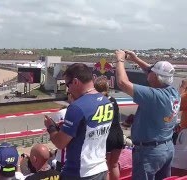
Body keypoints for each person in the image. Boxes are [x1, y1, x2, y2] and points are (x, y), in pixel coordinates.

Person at [115, 50, 180, 180]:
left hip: (149, 152)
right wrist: (136, 59)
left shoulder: (154, 96)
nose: (147, 72)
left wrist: (120, 60)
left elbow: (122, 83)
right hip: (166, 147)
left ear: (155, 77)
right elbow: (151, 72)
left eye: (151, 72)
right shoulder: (172, 91)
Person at [44, 63, 113, 180]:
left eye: (68, 84)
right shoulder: (107, 102)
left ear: (75, 82)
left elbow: (60, 143)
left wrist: (51, 128)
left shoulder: (76, 107)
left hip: (79, 172)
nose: (68, 89)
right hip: (101, 168)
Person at [94, 76, 124, 180]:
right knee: (114, 165)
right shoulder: (113, 100)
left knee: (104, 167)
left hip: (106, 136)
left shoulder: (96, 102)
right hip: (118, 134)